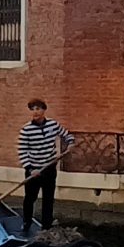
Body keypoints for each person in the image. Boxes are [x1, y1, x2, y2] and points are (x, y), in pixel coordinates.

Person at [16, 98, 77, 230]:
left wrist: (71, 143)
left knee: (48, 199)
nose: (35, 112)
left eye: (38, 109)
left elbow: (67, 135)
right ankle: (26, 223)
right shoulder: (26, 130)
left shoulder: (53, 125)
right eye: (32, 109)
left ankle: (46, 226)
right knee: (30, 198)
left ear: (44, 110)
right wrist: (30, 169)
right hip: (34, 170)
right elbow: (22, 151)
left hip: (49, 168)